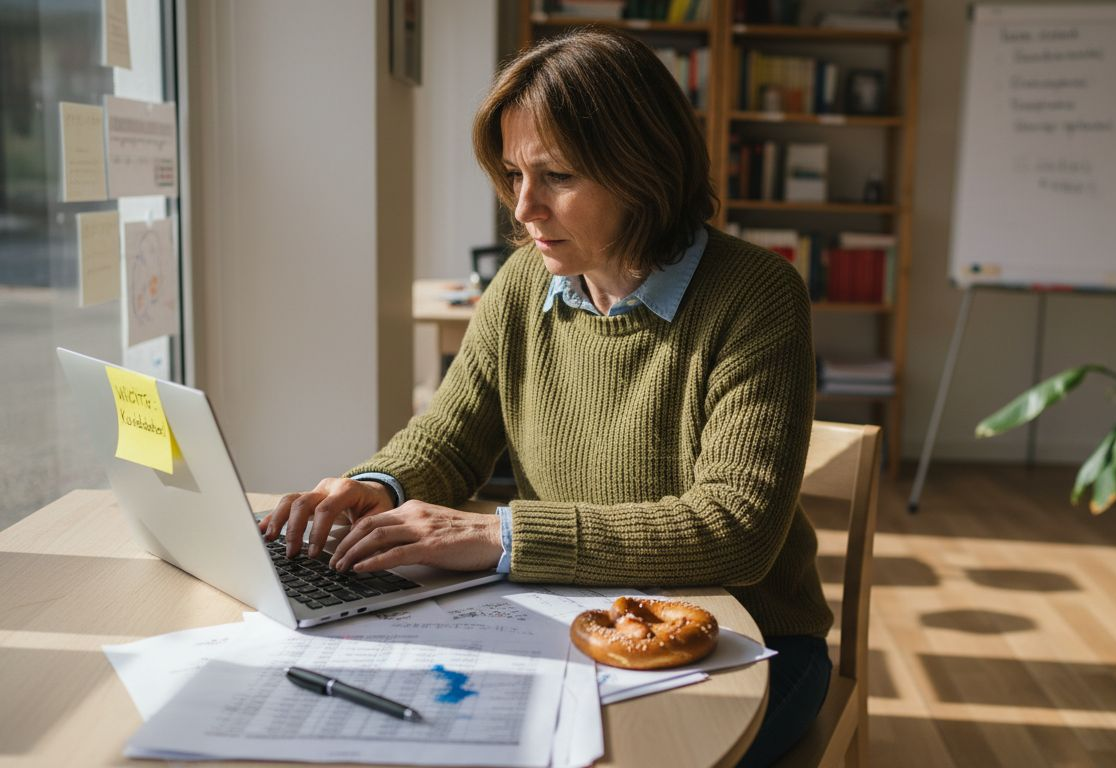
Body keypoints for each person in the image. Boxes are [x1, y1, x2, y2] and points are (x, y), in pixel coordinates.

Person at [259, 28, 831, 766]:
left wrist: (500, 536)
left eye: (556, 176)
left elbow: (735, 531)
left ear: (643, 171)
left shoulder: (757, 296)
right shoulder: (526, 281)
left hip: (748, 641)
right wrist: (378, 484)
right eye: (512, 173)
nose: (523, 209)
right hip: (572, 620)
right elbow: (451, 435)